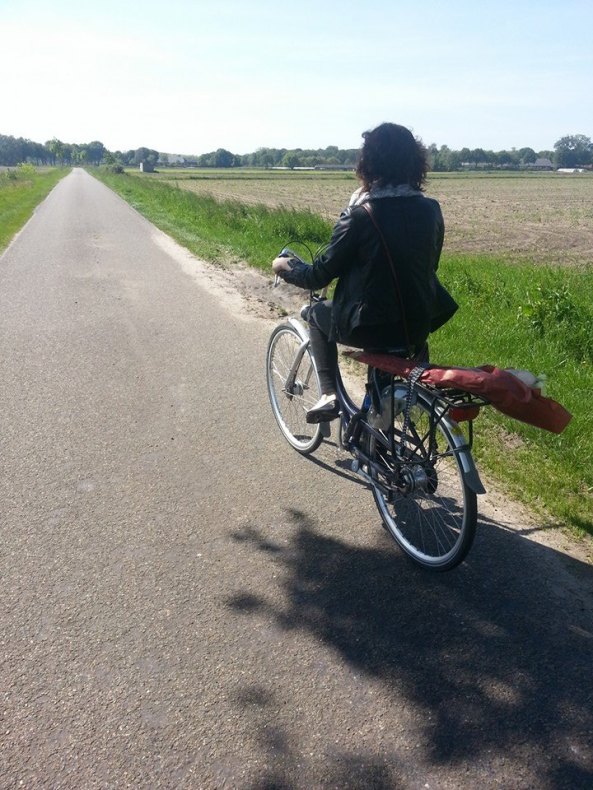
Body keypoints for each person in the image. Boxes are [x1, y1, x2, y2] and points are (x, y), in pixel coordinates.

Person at [272, 122, 456, 423]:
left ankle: (329, 394)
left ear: (368, 163)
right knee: (391, 346)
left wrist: (287, 267)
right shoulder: (431, 209)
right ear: (416, 162)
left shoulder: (359, 215)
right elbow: (428, 266)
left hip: (370, 326)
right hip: (418, 322)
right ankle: (383, 421)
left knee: (317, 314)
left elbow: (320, 275)